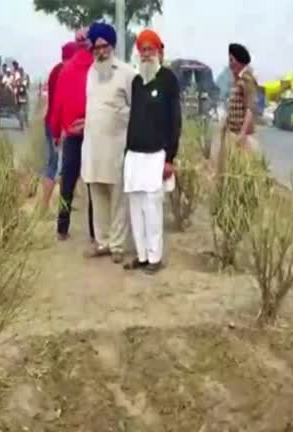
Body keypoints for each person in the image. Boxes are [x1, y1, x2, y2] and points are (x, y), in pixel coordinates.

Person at [123, 29, 181, 274]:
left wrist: (170, 158)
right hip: (134, 155)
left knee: (152, 207)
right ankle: (142, 255)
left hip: (157, 154)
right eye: (142, 50)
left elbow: (175, 121)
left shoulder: (168, 80)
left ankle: (155, 258)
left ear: (158, 51)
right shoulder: (136, 82)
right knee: (135, 207)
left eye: (150, 49)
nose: (146, 54)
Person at [81, 22, 136, 263]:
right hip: (93, 147)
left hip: (117, 147)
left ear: (112, 46)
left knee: (117, 199)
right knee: (98, 196)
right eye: (96, 47)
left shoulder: (127, 73)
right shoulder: (91, 73)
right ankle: (102, 243)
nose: (100, 52)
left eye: (104, 47)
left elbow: (138, 110)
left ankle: (117, 246)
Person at [50, 29, 95, 242]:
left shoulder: (66, 71)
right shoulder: (97, 69)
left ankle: (62, 227)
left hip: (72, 134)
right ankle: (96, 231)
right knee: (93, 184)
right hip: (94, 133)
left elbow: (57, 104)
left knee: (67, 183)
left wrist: (56, 131)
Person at [40, 41, 77, 212]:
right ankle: (57, 206)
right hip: (60, 125)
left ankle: (51, 206)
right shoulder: (68, 71)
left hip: (51, 122)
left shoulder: (56, 70)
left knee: (56, 163)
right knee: (59, 166)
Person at [225, 43, 259, 151]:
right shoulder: (238, 80)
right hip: (234, 133)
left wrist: (242, 133)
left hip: (242, 136)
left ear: (239, 61)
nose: (230, 64)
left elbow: (250, 108)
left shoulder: (247, 80)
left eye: (232, 60)